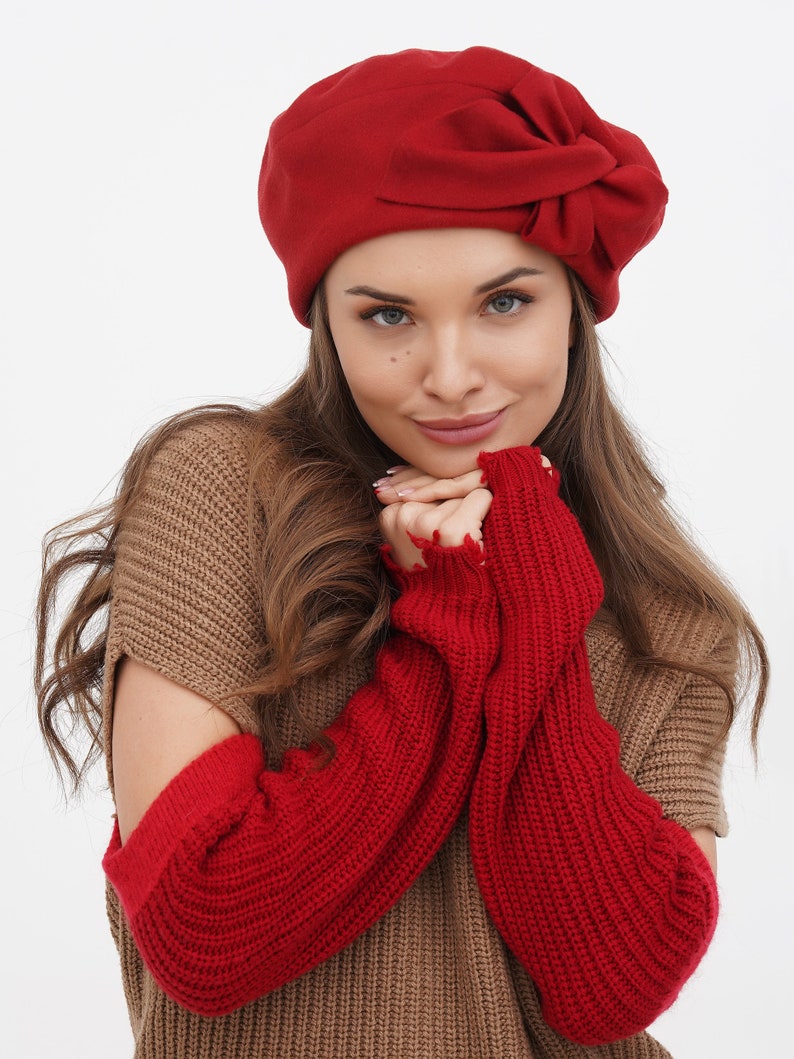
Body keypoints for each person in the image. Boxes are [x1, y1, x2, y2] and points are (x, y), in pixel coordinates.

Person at [35, 46, 767, 1058]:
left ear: (574, 309)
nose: (451, 375)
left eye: (504, 302)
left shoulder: (663, 612)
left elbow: (610, 988)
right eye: (387, 316)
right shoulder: (220, 493)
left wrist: (535, 601)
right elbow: (205, 933)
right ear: (326, 325)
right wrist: (449, 626)